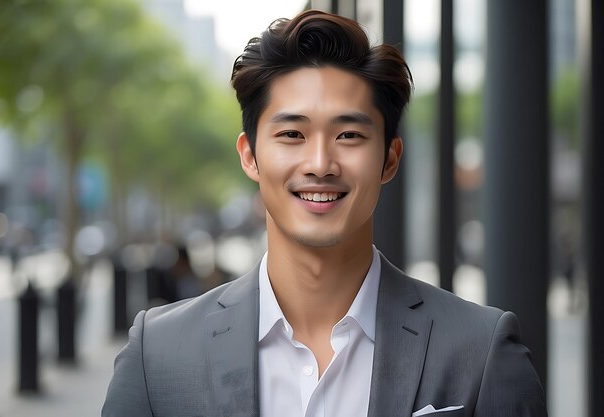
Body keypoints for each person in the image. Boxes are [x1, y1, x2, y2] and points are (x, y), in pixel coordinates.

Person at [102, 10, 547, 417]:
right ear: (250, 156)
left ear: (390, 159)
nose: (320, 163)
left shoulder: (481, 351)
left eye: (349, 134)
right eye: (292, 133)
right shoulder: (157, 355)